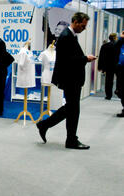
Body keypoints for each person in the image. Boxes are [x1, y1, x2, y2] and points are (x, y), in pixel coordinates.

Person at [36, 12, 97, 150]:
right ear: (75, 22)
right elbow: (67, 61)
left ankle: (45, 125)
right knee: (73, 109)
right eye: (82, 25)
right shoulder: (66, 37)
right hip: (70, 79)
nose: (84, 28)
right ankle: (70, 140)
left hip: (72, 79)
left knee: (71, 108)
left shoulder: (70, 36)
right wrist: (85, 58)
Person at [98, 33, 118, 99]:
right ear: (115, 38)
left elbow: (101, 57)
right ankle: (118, 91)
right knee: (120, 79)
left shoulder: (105, 46)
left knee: (108, 81)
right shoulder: (118, 45)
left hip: (108, 66)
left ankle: (108, 95)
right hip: (118, 65)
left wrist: (100, 66)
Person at [115, 31, 124, 117]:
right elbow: (115, 47)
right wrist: (121, 38)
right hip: (121, 69)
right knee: (120, 90)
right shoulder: (121, 43)